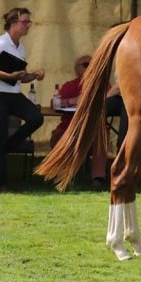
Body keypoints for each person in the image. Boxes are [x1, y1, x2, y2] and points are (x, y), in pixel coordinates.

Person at [0, 8, 45, 191]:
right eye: (25, 22)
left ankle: (6, 147)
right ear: (14, 23)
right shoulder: (0, 43)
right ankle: (1, 183)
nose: (28, 25)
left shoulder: (20, 47)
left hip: (12, 94)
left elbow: (20, 77)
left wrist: (33, 75)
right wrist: (10, 75)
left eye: (29, 22)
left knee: (36, 118)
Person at [50, 54, 108, 190]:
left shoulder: (102, 84)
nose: (91, 67)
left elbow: (109, 100)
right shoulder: (70, 86)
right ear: (77, 69)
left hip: (93, 129)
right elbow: (55, 103)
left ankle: (98, 178)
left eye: (93, 64)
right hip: (69, 127)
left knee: (101, 136)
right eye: (86, 65)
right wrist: (72, 101)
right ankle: (63, 176)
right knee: (58, 137)